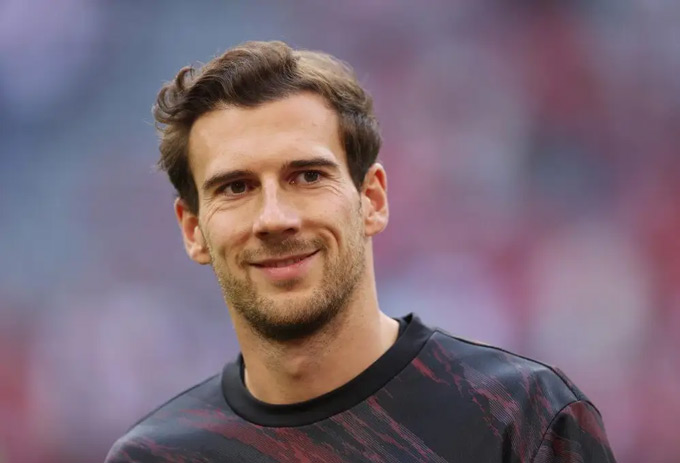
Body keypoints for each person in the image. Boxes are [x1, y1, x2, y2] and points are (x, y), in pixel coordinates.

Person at [105, 40, 616, 462]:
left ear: (371, 200)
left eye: (308, 176)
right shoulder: (155, 457)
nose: (274, 218)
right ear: (193, 229)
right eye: (236, 187)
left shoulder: (523, 419)